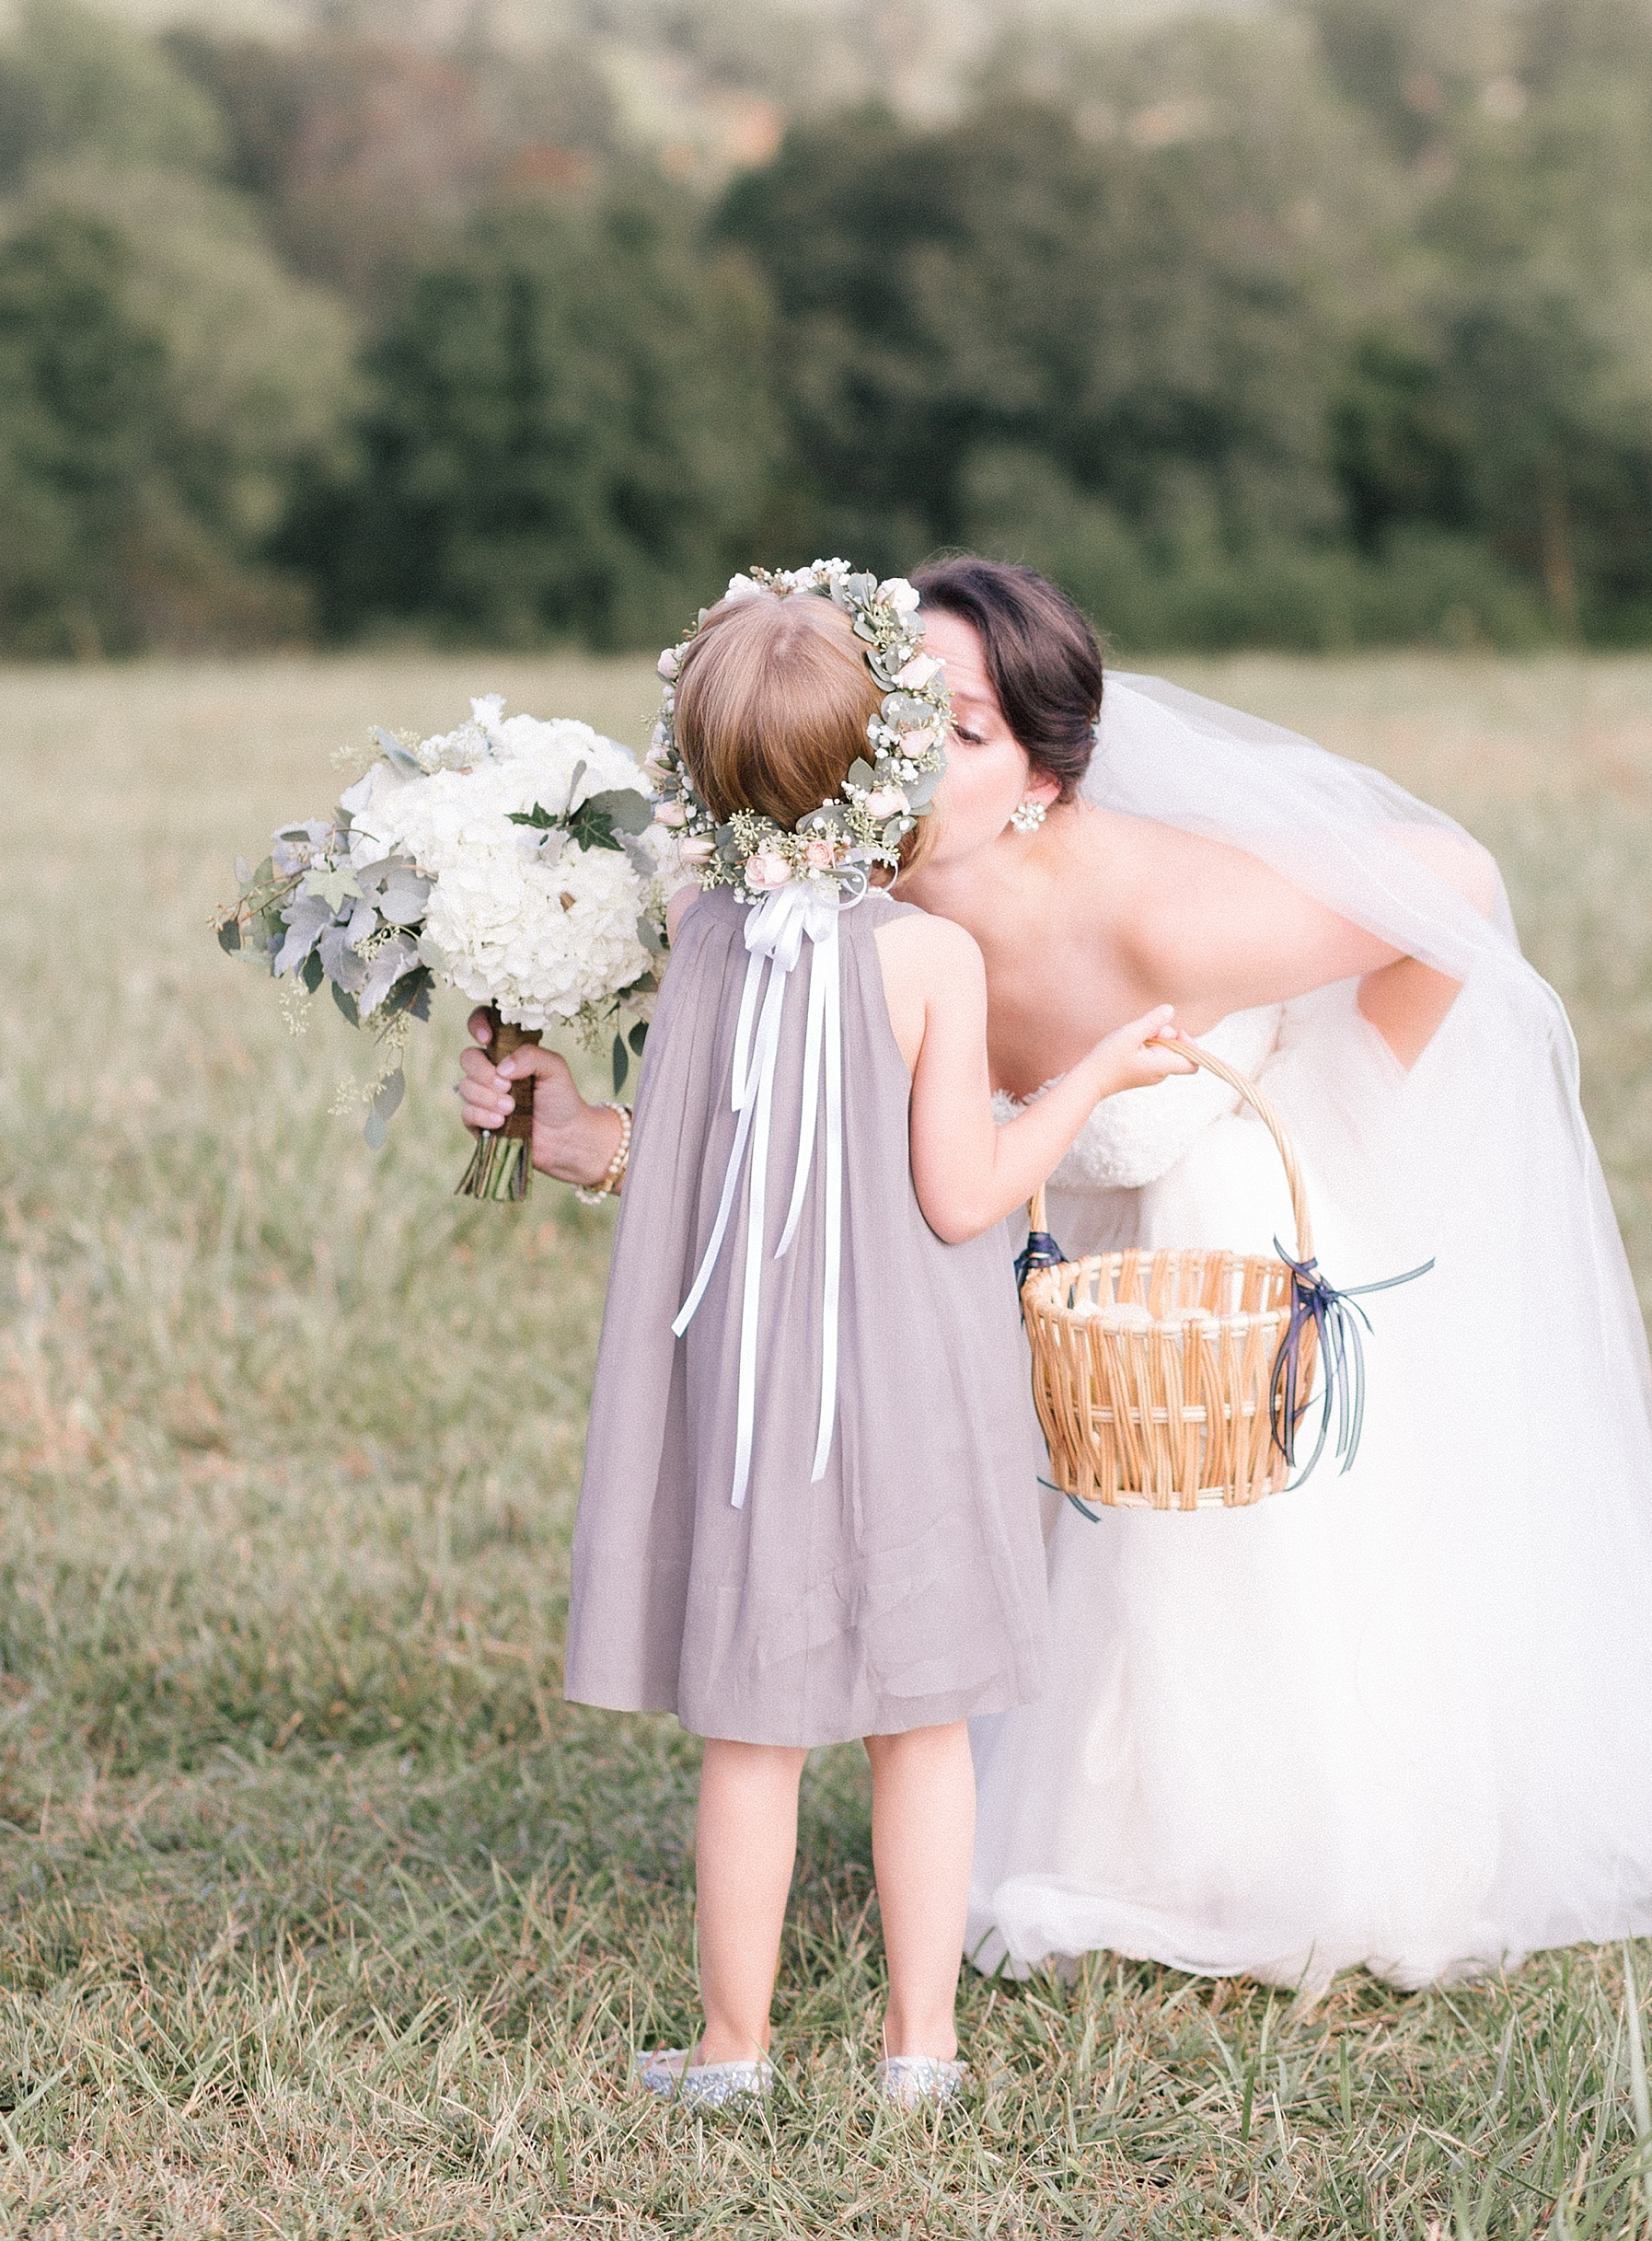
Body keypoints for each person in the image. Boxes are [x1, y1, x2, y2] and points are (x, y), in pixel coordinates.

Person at [462, 557, 1652, 2001]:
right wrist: (574, 1131)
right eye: (894, 712)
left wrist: (1350, 1119)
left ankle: (1251, 1841)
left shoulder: (1163, 916)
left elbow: (1456, 891)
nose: (908, 754)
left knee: (1199, 1561)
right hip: (1008, 1243)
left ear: (1045, 783)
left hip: (1202, 1222)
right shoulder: (827, 895)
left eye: (966, 731)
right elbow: (773, 1144)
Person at [459, 563, 1196, 2103]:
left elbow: (656, 1155)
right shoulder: (925, 957)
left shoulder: (700, 933)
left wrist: (560, 1121)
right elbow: (965, 1194)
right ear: (886, 766)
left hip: (745, 1400)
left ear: (699, 770)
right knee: (918, 1732)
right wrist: (1090, 1084)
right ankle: (917, 2052)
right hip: (916, 1394)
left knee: (754, 1734)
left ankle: (736, 2050)